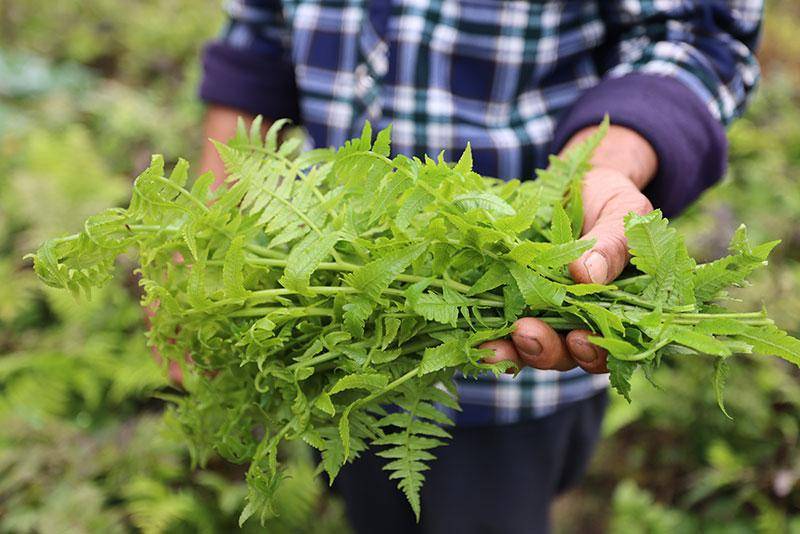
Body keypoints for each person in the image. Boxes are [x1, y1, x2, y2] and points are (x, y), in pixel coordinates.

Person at [198, 1, 763, 532]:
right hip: (334, 358)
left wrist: (596, 172)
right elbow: (259, 36)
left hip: (513, 385)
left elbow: (698, 35)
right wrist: (205, 235)